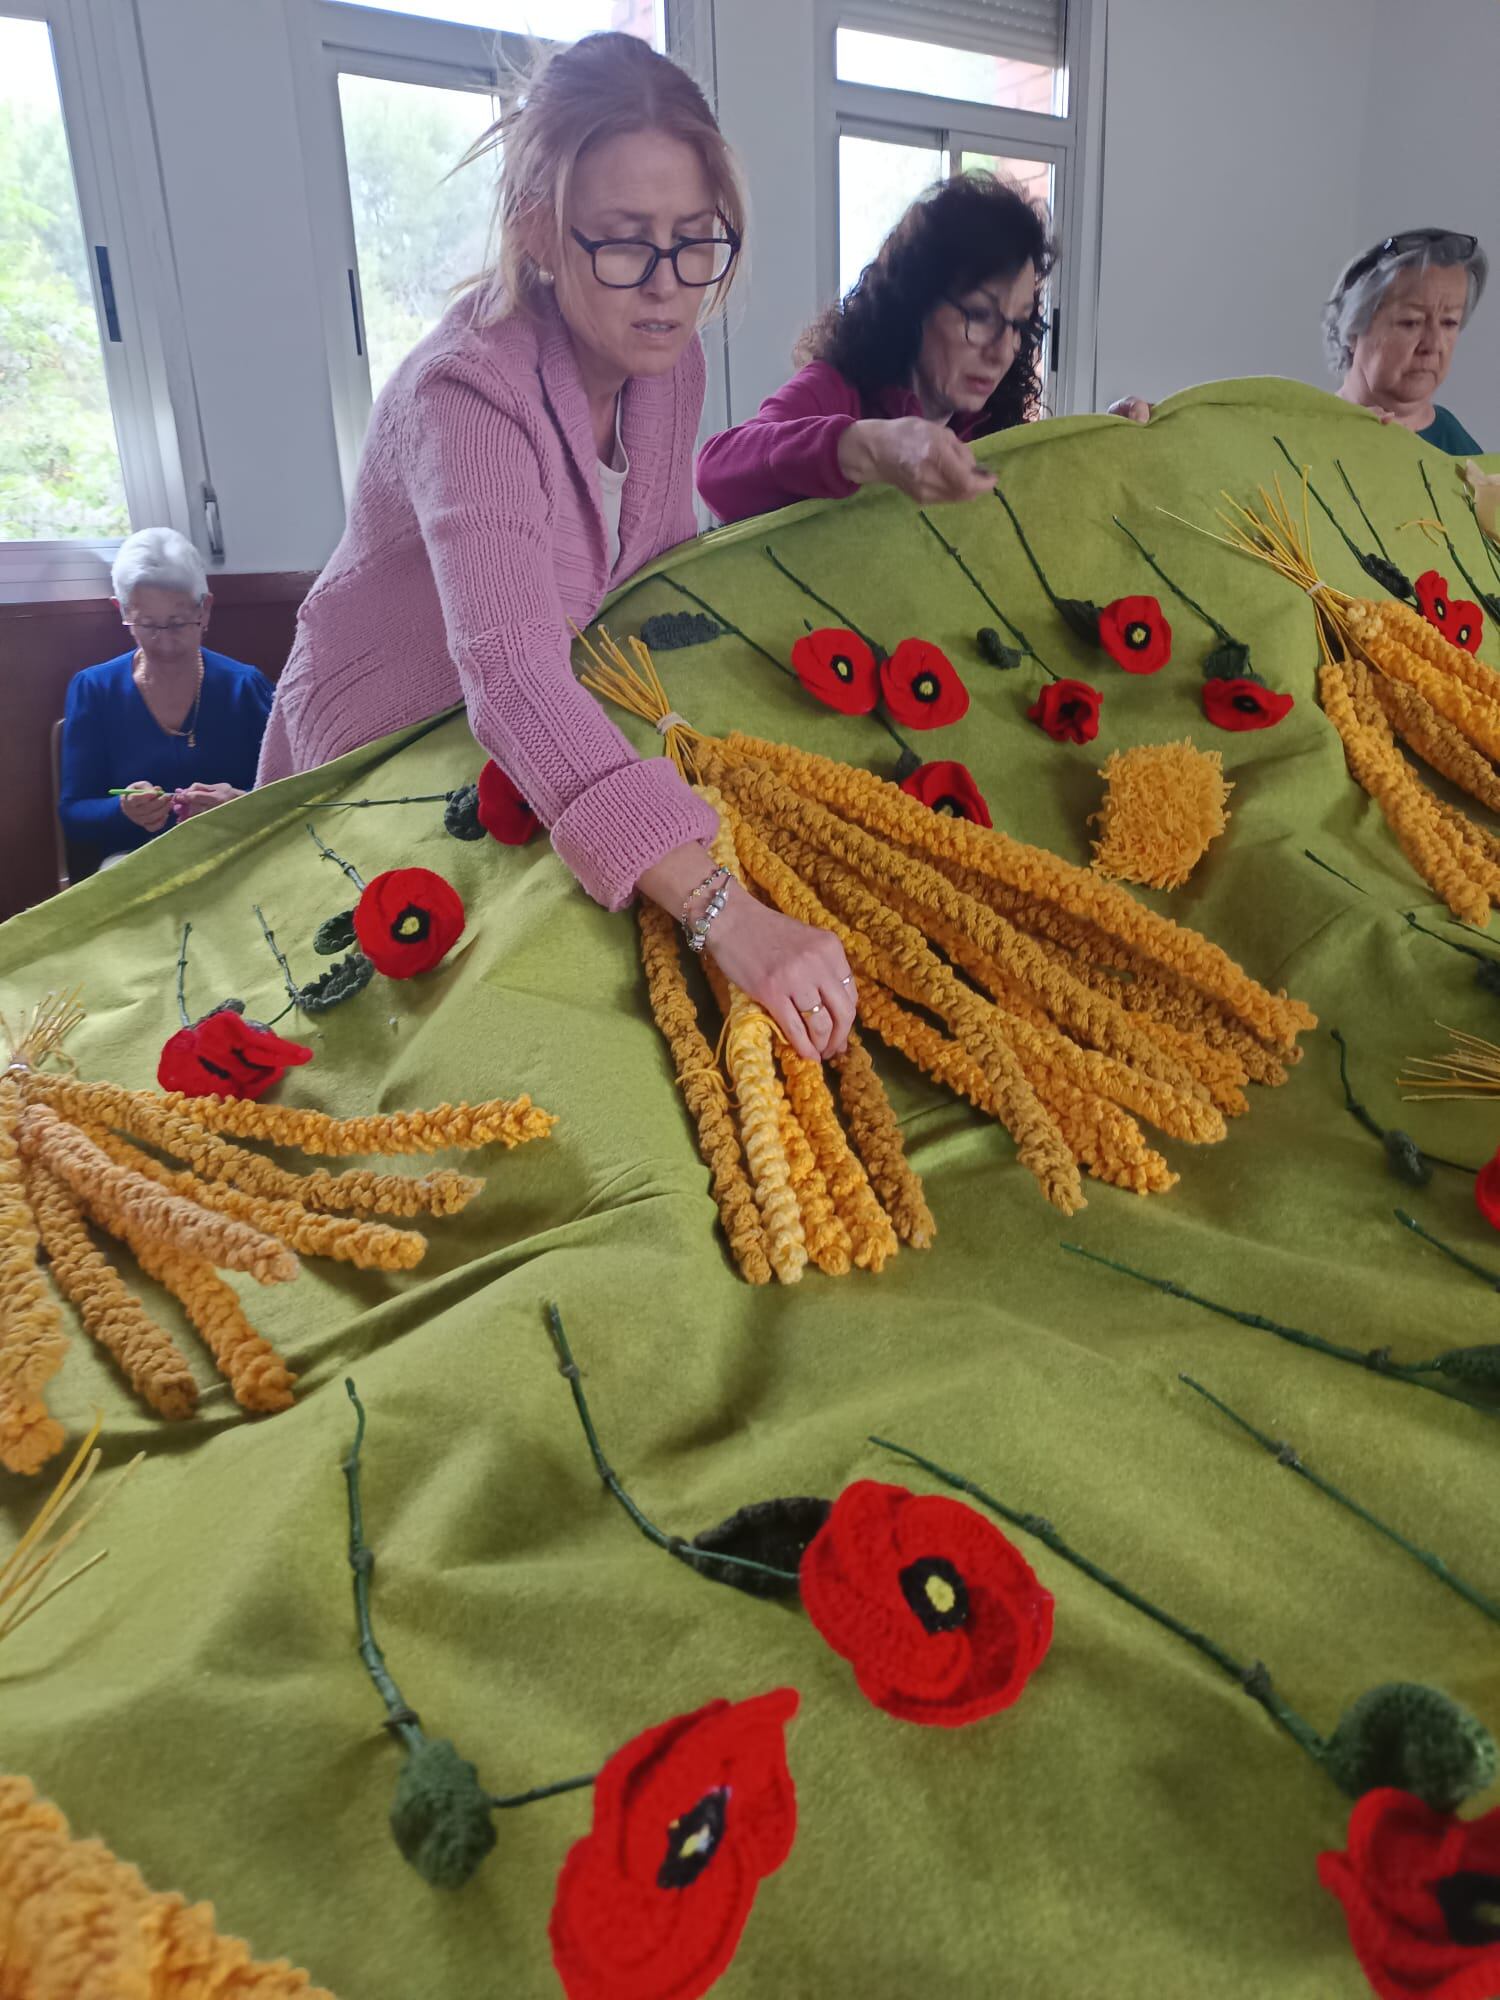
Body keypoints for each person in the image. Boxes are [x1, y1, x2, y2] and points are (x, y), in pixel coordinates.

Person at [256, 33, 854, 1061]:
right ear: (539, 229)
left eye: (695, 241)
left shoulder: (667, 369)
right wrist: (728, 912)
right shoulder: (466, 390)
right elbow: (514, 678)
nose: (666, 286)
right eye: (624, 243)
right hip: (380, 750)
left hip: (513, 743)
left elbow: (649, 588)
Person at [696, 171, 1149, 525]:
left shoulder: (992, 430)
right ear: (915, 304)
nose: (1001, 352)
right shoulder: (834, 389)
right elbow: (716, 471)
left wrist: (1102, 443)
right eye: (979, 315)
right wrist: (867, 448)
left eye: (1018, 324)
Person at [59, 528, 273, 871]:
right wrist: (123, 810)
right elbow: (74, 813)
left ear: (205, 609)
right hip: (137, 863)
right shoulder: (95, 689)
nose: (166, 643)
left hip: (237, 855)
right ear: (121, 611)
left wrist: (241, 802)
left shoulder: (244, 687)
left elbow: (288, 791)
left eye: (178, 623)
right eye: (147, 625)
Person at [1324, 228, 1487, 452]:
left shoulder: (1461, 451)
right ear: (1352, 330)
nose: (1433, 345)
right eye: (1411, 322)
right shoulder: (1301, 432)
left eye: (1449, 322)